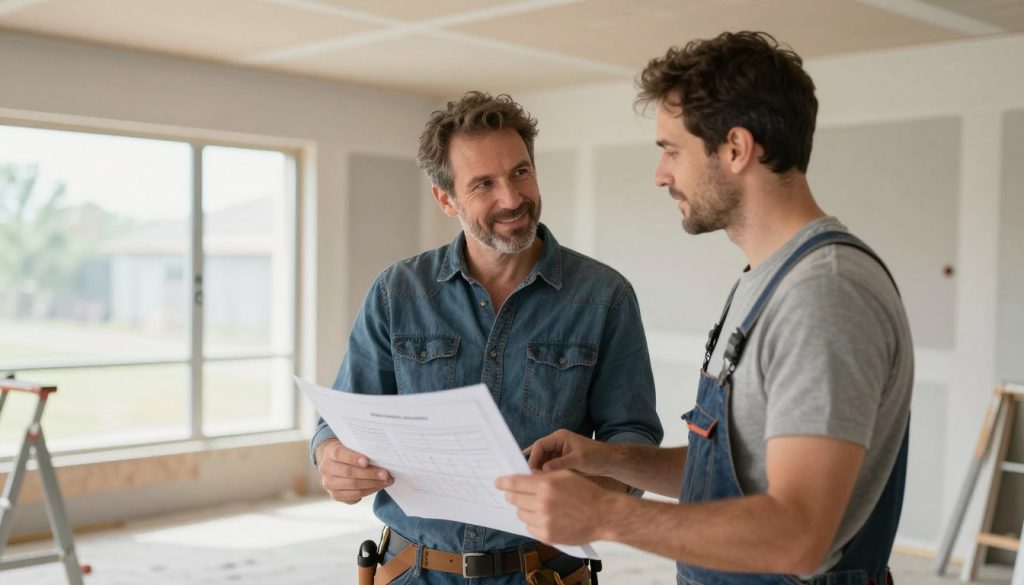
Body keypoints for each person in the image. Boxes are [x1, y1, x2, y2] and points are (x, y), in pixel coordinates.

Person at [497, 31, 914, 585]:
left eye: (672, 150)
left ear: (736, 149)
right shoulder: (764, 282)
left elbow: (797, 535)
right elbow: (738, 475)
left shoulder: (824, 295)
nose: (661, 174)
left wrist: (605, 515)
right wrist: (603, 459)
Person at [310, 91, 664, 585]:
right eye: (483, 184)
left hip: (546, 573)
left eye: (521, 172)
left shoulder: (604, 296)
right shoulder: (397, 292)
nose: (512, 198)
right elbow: (339, 422)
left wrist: (597, 484)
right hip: (411, 571)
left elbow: (635, 434)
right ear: (445, 197)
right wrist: (332, 458)